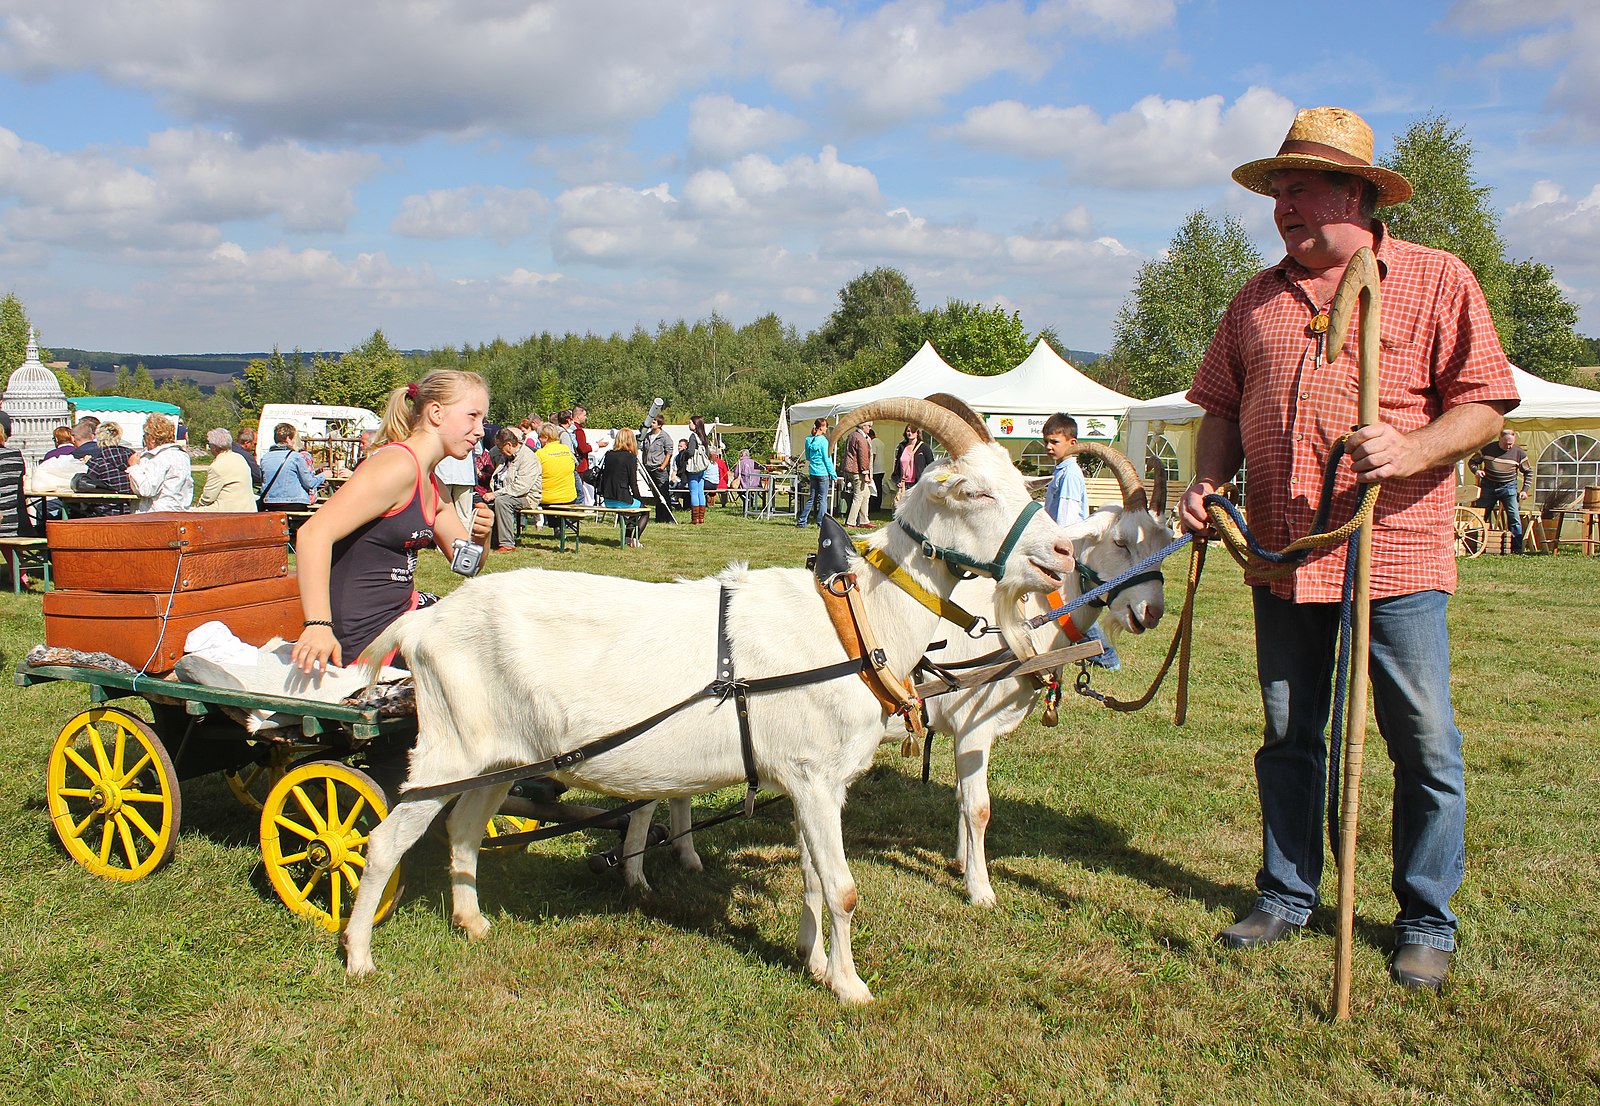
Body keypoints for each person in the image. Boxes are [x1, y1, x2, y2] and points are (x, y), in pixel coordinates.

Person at [1179, 106, 1519, 990]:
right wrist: (1208, 482)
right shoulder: (1254, 297)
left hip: (1393, 548)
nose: (1284, 207)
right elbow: (1218, 404)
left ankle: (1426, 920)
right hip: (1280, 553)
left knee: (1422, 741)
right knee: (1290, 732)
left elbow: (1485, 401)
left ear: (1357, 193)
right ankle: (1287, 895)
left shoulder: (1437, 280)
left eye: (1301, 190)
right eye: (1277, 193)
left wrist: (1410, 449)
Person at [292, 372, 494, 673]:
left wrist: (482, 537)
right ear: (436, 413)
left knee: (499, 634)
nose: (480, 431)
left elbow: (467, 566)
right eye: (472, 417)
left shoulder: (432, 481)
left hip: (401, 617)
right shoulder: (397, 466)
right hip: (366, 635)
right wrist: (318, 625)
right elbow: (313, 534)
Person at [1041, 413, 1120, 670]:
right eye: (1046, 441)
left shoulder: (1071, 474)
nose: (1049, 446)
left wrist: (1057, 546)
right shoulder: (1061, 471)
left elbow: (1067, 515)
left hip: (1067, 547)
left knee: (1070, 606)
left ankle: (1106, 656)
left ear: (1072, 442)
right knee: (1066, 604)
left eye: (1054, 441)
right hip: (1061, 546)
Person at [1469, 428, 1533, 552]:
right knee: (1480, 515)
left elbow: (1528, 472)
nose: (1509, 447)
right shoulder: (1488, 449)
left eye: (1511, 444)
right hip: (1488, 486)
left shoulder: (1518, 452)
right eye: (1506, 444)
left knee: (1514, 517)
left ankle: (1516, 549)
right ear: (1499, 439)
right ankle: (1474, 545)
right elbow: (1472, 462)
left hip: (1508, 486)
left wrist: (1525, 490)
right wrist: (1476, 471)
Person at [487, 427, 541, 551]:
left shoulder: (528, 458)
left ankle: (507, 544)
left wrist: (496, 494)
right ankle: (488, 540)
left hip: (527, 497)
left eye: (500, 448)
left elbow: (520, 488)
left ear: (509, 445)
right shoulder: (504, 455)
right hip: (503, 492)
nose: (499, 451)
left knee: (502, 502)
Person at [126, 414, 194, 512]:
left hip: (158, 514)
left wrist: (134, 467)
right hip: (179, 510)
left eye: (145, 436)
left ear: (152, 439)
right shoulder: (181, 455)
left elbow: (147, 489)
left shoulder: (159, 457)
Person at [596, 426, 649, 547]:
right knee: (644, 511)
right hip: (622, 498)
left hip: (608, 500)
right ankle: (635, 538)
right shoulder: (630, 457)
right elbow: (633, 483)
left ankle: (627, 538)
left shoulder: (609, 455)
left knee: (633, 511)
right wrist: (640, 499)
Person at [259, 422, 328, 512]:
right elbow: (309, 483)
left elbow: (262, 480)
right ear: (287, 439)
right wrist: (324, 476)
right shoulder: (295, 456)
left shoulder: (265, 458)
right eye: (292, 439)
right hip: (294, 503)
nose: (293, 442)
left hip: (269, 503)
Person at [193, 428, 257, 512]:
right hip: (248, 509)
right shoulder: (239, 458)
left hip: (228, 512)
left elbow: (208, 498)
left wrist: (197, 507)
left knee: (189, 512)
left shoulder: (217, 466)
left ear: (215, 447)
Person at [795, 417, 837, 528]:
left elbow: (808, 456)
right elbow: (827, 459)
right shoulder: (823, 441)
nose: (826, 428)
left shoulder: (808, 439)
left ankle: (802, 521)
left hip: (813, 472)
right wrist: (833, 474)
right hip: (822, 473)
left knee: (812, 498)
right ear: (821, 427)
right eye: (826, 426)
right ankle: (821, 523)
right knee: (822, 499)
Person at [890, 424, 935, 511]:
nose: (910, 433)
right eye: (908, 431)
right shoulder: (902, 447)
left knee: (915, 509)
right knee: (901, 508)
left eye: (913, 431)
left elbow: (931, 465)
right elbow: (897, 466)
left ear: (917, 433)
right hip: (903, 484)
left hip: (917, 484)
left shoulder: (924, 448)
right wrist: (897, 480)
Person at [641, 415, 675, 522]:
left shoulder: (664, 437)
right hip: (649, 468)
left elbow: (669, 452)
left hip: (659, 468)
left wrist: (663, 466)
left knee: (663, 493)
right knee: (655, 494)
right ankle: (659, 517)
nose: (652, 424)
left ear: (660, 424)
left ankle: (668, 517)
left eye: (654, 422)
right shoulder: (647, 436)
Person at [842, 417, 874, 528]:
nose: (870, 428)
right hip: (858, 471)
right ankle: (851, 522)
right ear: (863, 426)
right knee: (858, 496)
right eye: (869, 426)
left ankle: (865, 520)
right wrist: (866, 473)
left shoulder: (851, 436)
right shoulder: (861, 439)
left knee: (866, 494)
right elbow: (863, 457)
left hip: (850, 469)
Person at [683, 415, 713, 525]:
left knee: (694, 492)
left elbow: (690, 452)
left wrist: (684, 453)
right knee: (701, 492)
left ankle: (695, 518)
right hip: (702, 467)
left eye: (690, 422)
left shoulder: (693, 437)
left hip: (694, 467)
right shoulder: (704, 437)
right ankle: (701, 518)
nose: (689, 424)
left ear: (695, 424)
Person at [571, 404, 594, 506]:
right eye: (584, 415)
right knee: (579, 489)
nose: (586, 417)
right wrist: (596, 445)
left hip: (576, 463)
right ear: (578, 416)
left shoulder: (572, 429)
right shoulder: (578, 430)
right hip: (580, 464)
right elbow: (582, 448)